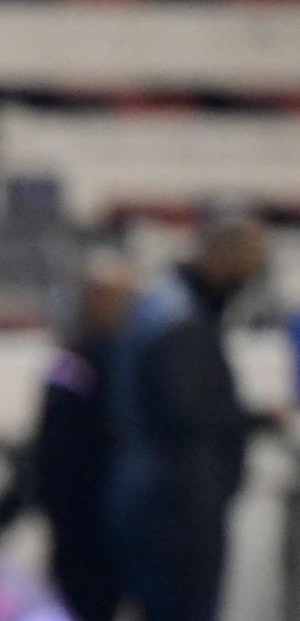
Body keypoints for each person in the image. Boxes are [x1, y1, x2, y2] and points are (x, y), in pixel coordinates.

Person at [106, 209, 268, 621]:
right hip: (175, 508)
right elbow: (187, 414)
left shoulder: (172, 308)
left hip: (164, 501)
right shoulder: (178, 320)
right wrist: (253, 419)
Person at [33, 251, 134, 621]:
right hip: (76, 509)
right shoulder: (75, 358)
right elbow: (52, 440)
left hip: (112, 507)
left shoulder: (127, 357)